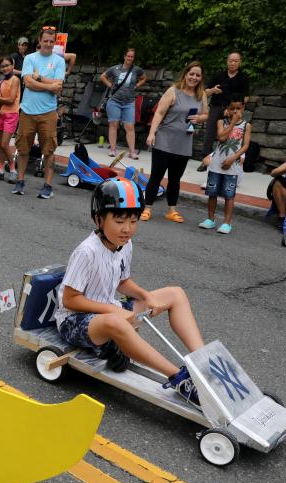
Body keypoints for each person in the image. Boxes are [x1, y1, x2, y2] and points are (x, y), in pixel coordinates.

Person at [54, 179, 205, 405]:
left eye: (133, 221)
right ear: (99, 219)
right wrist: (113, 312)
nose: (127, 228)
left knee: (175, 293)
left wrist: (147, 296)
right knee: (116, 323)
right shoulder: (87, 252)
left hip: (108, 310)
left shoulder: (125, 244)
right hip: (74, 322)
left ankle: (204, 365)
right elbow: (70, 300)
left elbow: (122, 282)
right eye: (119, 220)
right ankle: (178, 378)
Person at [143, 61, 207, 222]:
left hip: (184, 142)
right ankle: (147, 208)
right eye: (191, 74)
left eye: (197, 75)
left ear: (201, 78)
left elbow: (206, 114)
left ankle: (172, 210)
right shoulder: (173, 91)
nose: (194, 77)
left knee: (175, 179)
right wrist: (152, 134)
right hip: (165, 139)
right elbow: (159, 113)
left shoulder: (201, 95)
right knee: (156, 176)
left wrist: (200, 118)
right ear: (185, 74)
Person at [12, 26, 65, 199]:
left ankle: (48, 185)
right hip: (27, 111)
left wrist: (40, 78)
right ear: (40, 41)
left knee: (49, 150)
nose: (48, 44)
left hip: (48, 113)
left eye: (51, 41)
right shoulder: (29, 58)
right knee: (23, 148)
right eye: (45, 41)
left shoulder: (59, 61)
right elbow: (28, 82)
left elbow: (58, 87)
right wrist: (49, 86)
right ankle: (20, 182)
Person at [199, 95, 249, 234]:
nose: (235, 111)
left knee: (229, 195)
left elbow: (245, 146)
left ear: (243, 108)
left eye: (238, 109)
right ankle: (210, 219)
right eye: (232, 108)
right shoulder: (221, 122)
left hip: (232, 166)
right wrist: (232, 123)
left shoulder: (246, 126)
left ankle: (227, 223)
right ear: (227, 109)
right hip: (216, 164)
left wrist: (233, 158)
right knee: (212, 193)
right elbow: (221, 138)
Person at [198, 51, 249, 171]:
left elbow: (246, 97)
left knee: (231, 135)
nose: (232, 63)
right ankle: (205, 162)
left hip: (233, 110)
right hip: (216, 107)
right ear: (227, 61)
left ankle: (230, 161)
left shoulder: (243, 78)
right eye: (231, 60)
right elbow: (204, 92)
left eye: (235, 61)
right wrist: (213, 91)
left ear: (240, 62)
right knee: (209, 135)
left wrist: (236, 109)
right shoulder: (218, 75)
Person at [99, 48, 146, 159]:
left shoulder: (136, 70)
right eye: (128, 56)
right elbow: (103, 76)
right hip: (114, 101)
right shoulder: (115, 68)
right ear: (124, 56)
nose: (130, 58)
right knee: (113, 124)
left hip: (129, 102)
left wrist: (137, 85)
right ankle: (113, 149)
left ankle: (132, 152)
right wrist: (110, 85)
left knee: (129, 126)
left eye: (132, 57)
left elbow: (144, 78)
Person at [0, 55, 20, 182]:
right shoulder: (0, 82)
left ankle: (12, 170)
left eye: (7, 65)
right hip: (1, 115)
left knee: (5, 144)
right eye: (3, 66)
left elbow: (11, 100)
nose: (5, 68)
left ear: (12, 66)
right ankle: (0, 171)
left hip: (11, 115)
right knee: (1, 145)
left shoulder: (15, 80)